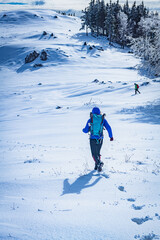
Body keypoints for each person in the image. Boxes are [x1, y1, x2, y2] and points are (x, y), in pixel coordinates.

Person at [82, 107, 113, 172]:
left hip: (92, 139)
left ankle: (99, 163)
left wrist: (83, 130)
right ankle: (96, 167)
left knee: (94, 154)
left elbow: (85, 130)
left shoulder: (90, 119)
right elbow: (108, 128)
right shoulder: (103, 119)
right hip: (100, 138)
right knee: (98, 153)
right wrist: (111, 136)